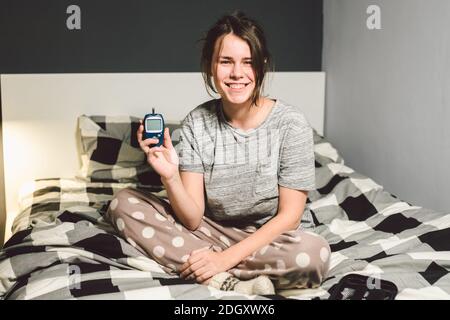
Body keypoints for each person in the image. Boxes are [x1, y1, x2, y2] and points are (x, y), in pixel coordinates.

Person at [107, 11, 330, 295]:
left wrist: (224, 258)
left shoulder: (291, 123)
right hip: (209, 233)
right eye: (226, 61)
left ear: (262, 67)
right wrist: (171, 176)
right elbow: (192, 219)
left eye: (247, 62)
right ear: (211, 66)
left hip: (272, 238)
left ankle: (209, 269)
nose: (237, 73)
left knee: (314, 253)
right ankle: (228, 281)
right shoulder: (196, 124)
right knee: (122, 203)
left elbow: (290, 217)